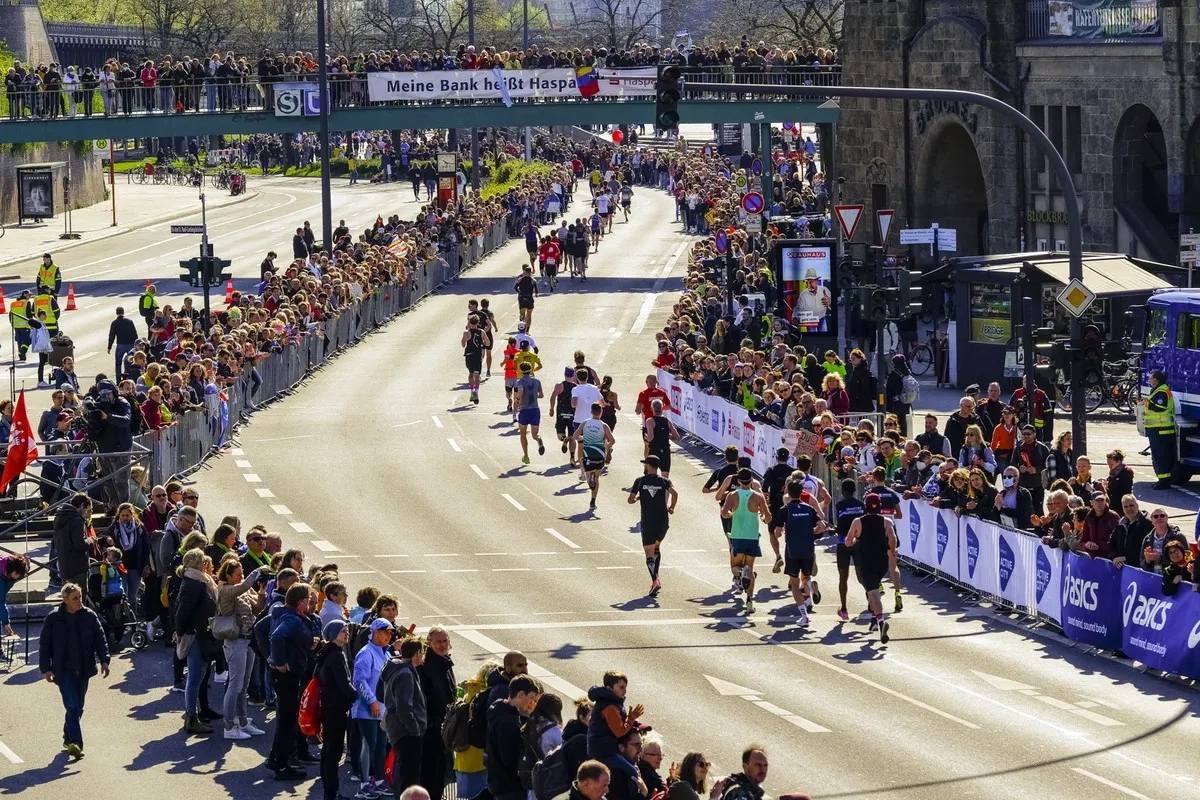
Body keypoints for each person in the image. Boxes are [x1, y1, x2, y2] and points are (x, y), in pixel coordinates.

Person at [38, 582, 111, 761]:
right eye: (75, 598)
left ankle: (67, 736)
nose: (79, 601)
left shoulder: (89, 616)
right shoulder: (53, 619)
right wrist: (45, 668)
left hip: (84, 668)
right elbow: (45, 644)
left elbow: (100, 638)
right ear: (65, 600)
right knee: (71, 705)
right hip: (63, 671)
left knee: (78, 707)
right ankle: (77, 743)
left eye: (80, 597)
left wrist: (104, 660)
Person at [267, 583, 316, 781]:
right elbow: (277, 636)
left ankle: (276, 758)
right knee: (287, 721)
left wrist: (269, 658)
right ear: (300, 602)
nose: (310, 603)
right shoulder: (292, 619)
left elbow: (261, 630)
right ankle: (282, 764)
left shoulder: (280, 613)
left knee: (284, 719)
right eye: (307, 600)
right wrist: (279, 662)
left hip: (282, 674)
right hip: (287, 676)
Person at [215, 559, 267, 740]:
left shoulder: (245, 590)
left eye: (242, 572)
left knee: (243, 685)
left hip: (248, 640)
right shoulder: (226, 590)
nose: (241, 576)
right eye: (237, 573)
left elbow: (258, 609)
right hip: (235, 641)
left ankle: (242, 721)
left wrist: (262, 592)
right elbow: (244, 585)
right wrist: (258, 571)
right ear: (228, 576)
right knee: (235, 685)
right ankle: (228, 725)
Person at [844, 493, 897, 643]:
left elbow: (848, 542)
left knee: (873, 592)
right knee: (872, 588)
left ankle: (881, 621)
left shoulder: (857, 522)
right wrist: (892, 550)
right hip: (881, 561)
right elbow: (892, 538)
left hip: (865, 561)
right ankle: (874, 619)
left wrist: (855, 539)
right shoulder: (886, 521)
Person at [381, 637, 429, 797]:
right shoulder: (406, 674)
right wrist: (415, 729)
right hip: (406, 733)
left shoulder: (395, 668)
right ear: (416, 653)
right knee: (408, 780)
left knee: (403, 775)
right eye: (422, 652)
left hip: (398, 730)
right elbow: (404, 707)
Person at [316, 619, 358, 800]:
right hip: (336, 710)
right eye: (343, 631)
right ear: (333, 634)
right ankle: (331, 793)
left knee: (328, 751)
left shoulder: (325, 652)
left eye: (347, 630)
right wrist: (358, 697)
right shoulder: (337, 655)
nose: (347, 633)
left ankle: (329, 791)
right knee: (333, 753)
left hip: (327, 707)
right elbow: (344, 684)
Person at [353, 617, 393, 798]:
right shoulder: (365, 653)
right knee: (370, 744)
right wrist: (371, 701)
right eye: (385, 631)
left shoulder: (386, 653)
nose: (389, 635)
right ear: (375, 632)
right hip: (367, 709)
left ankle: (378, 781)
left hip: (383, 710)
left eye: (391, 632)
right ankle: (363, 784)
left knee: (381, 745)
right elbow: (359, 681)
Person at [721, 469, 772, 614]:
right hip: (752, 537)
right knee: (750, 569)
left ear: (738, 481)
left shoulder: (733, 495)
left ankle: (741, 572)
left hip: (737, 536)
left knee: (734, 566)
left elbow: (724, 513)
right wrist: (762, 517)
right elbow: (768, 518)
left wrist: (731, 513)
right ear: (751, 481)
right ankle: (749, 600)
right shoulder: (758, 496)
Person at [487, 675, 545, 800]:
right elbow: (511, 758)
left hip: (499, 782)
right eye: (530, 697)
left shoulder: (499, 712)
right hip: (509, 787)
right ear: (521, 695)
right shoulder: (508, 723)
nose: (531, 702)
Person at [628, 455, 677, 597]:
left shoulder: (640, 481)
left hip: (648, 521)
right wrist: (672, 507)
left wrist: (638, 497)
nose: (644, 466)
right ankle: (656, 578)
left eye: (645, 464)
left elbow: (630, 500)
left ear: (649, 465)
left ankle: (655, 579)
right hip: (663, 521)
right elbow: (675, 493)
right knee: (656, 547)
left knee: (648, 552)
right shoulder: (664, 481)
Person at [781, 481, 828, 626]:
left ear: (788, 492)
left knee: (794, 584)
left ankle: (804, 616)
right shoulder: (809, 508)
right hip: (808, 549)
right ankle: (809, 585)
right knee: (806, 575)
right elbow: (822, 526)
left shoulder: (785, 509)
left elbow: (777, 532)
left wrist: (784, 530)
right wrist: (811, 531)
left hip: (792, 550)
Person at [418, 626, 456, 800]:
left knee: (440, 773)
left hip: (443, 729)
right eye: (438, 641)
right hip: (431, 731)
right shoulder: (425, 668)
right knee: (430, 775)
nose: (442, 645)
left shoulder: (445, 663)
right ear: (429, 643)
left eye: (445, 641)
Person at [573, 402, 615, 510]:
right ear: (601, 412)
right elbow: (612, 440)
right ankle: (593, 501)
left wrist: (584, 439)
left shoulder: (585, 423)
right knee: (597, 477)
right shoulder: (604, 425)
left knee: (588, 473)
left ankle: (590, 479)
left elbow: (575, 436)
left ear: (591, 412)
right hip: (600, 455)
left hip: (588, 453)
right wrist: (606, 446)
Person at [1143, 370, 1176, 489]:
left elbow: (1160, 407)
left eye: (1150, 378)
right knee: (1161, 456)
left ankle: (1163, 482)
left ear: (1156, 379)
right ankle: (1163, 480)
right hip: (1158, 429)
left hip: (1160, 429)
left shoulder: (1161, 391)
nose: (1149, 381)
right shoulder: (1159, 390)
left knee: (1161, 457)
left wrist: (1147, 403)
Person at [514, 361, 546, 465]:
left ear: (521, 371)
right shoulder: (537, 381)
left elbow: (520, 392)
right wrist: (533, 396)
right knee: (535, 434)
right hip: (535, 410)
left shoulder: (520, 382)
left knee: (523, 433)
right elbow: (541, 395)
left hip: (525, 410)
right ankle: (539, 440)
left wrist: (518, 400)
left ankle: (526, 455)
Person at [643, 399, 679, 478]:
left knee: (651, 474)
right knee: (665, 476)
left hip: (654, 450)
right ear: (662, 408)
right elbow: (677, 436)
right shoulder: (667, 421)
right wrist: (667, 436)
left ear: (652, 408)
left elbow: (651, 437)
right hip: (665, 449)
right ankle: (664, 490)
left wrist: (646, 439)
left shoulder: (650, 421)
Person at [462, 314, 491, 406]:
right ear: (478, 322)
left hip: (469, 355)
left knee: (471, 373)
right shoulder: (481, 331)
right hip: (478, 355)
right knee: (477, 374)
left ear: (470, 322)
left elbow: (463, 344)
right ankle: (476, 392)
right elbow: (488, 343)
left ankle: (472, 391)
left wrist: (466, 338)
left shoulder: (466, 332)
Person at [107, 306, 139, 379]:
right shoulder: (129, 321)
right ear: (123, 312)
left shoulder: (114, 323)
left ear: (116, 313)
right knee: (130, 362)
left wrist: (109, 347)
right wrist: (136, 345)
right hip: (130, 344)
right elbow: (134, 333)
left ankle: (118, 380)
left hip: (120, 345)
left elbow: (112, 335)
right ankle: (128, 377)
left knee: (118, 363)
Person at [515, 266, 539, 332]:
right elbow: (536, 289)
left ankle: (522, 325)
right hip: (529, 298)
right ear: (530, 272)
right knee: (529, 315)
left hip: (522, 297)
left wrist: (519, 292)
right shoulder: (533, 280)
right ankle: (527, 330)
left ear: (525, 272)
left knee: (522, 313)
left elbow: (515, 287)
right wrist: (536, 294)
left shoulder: (520, 279)